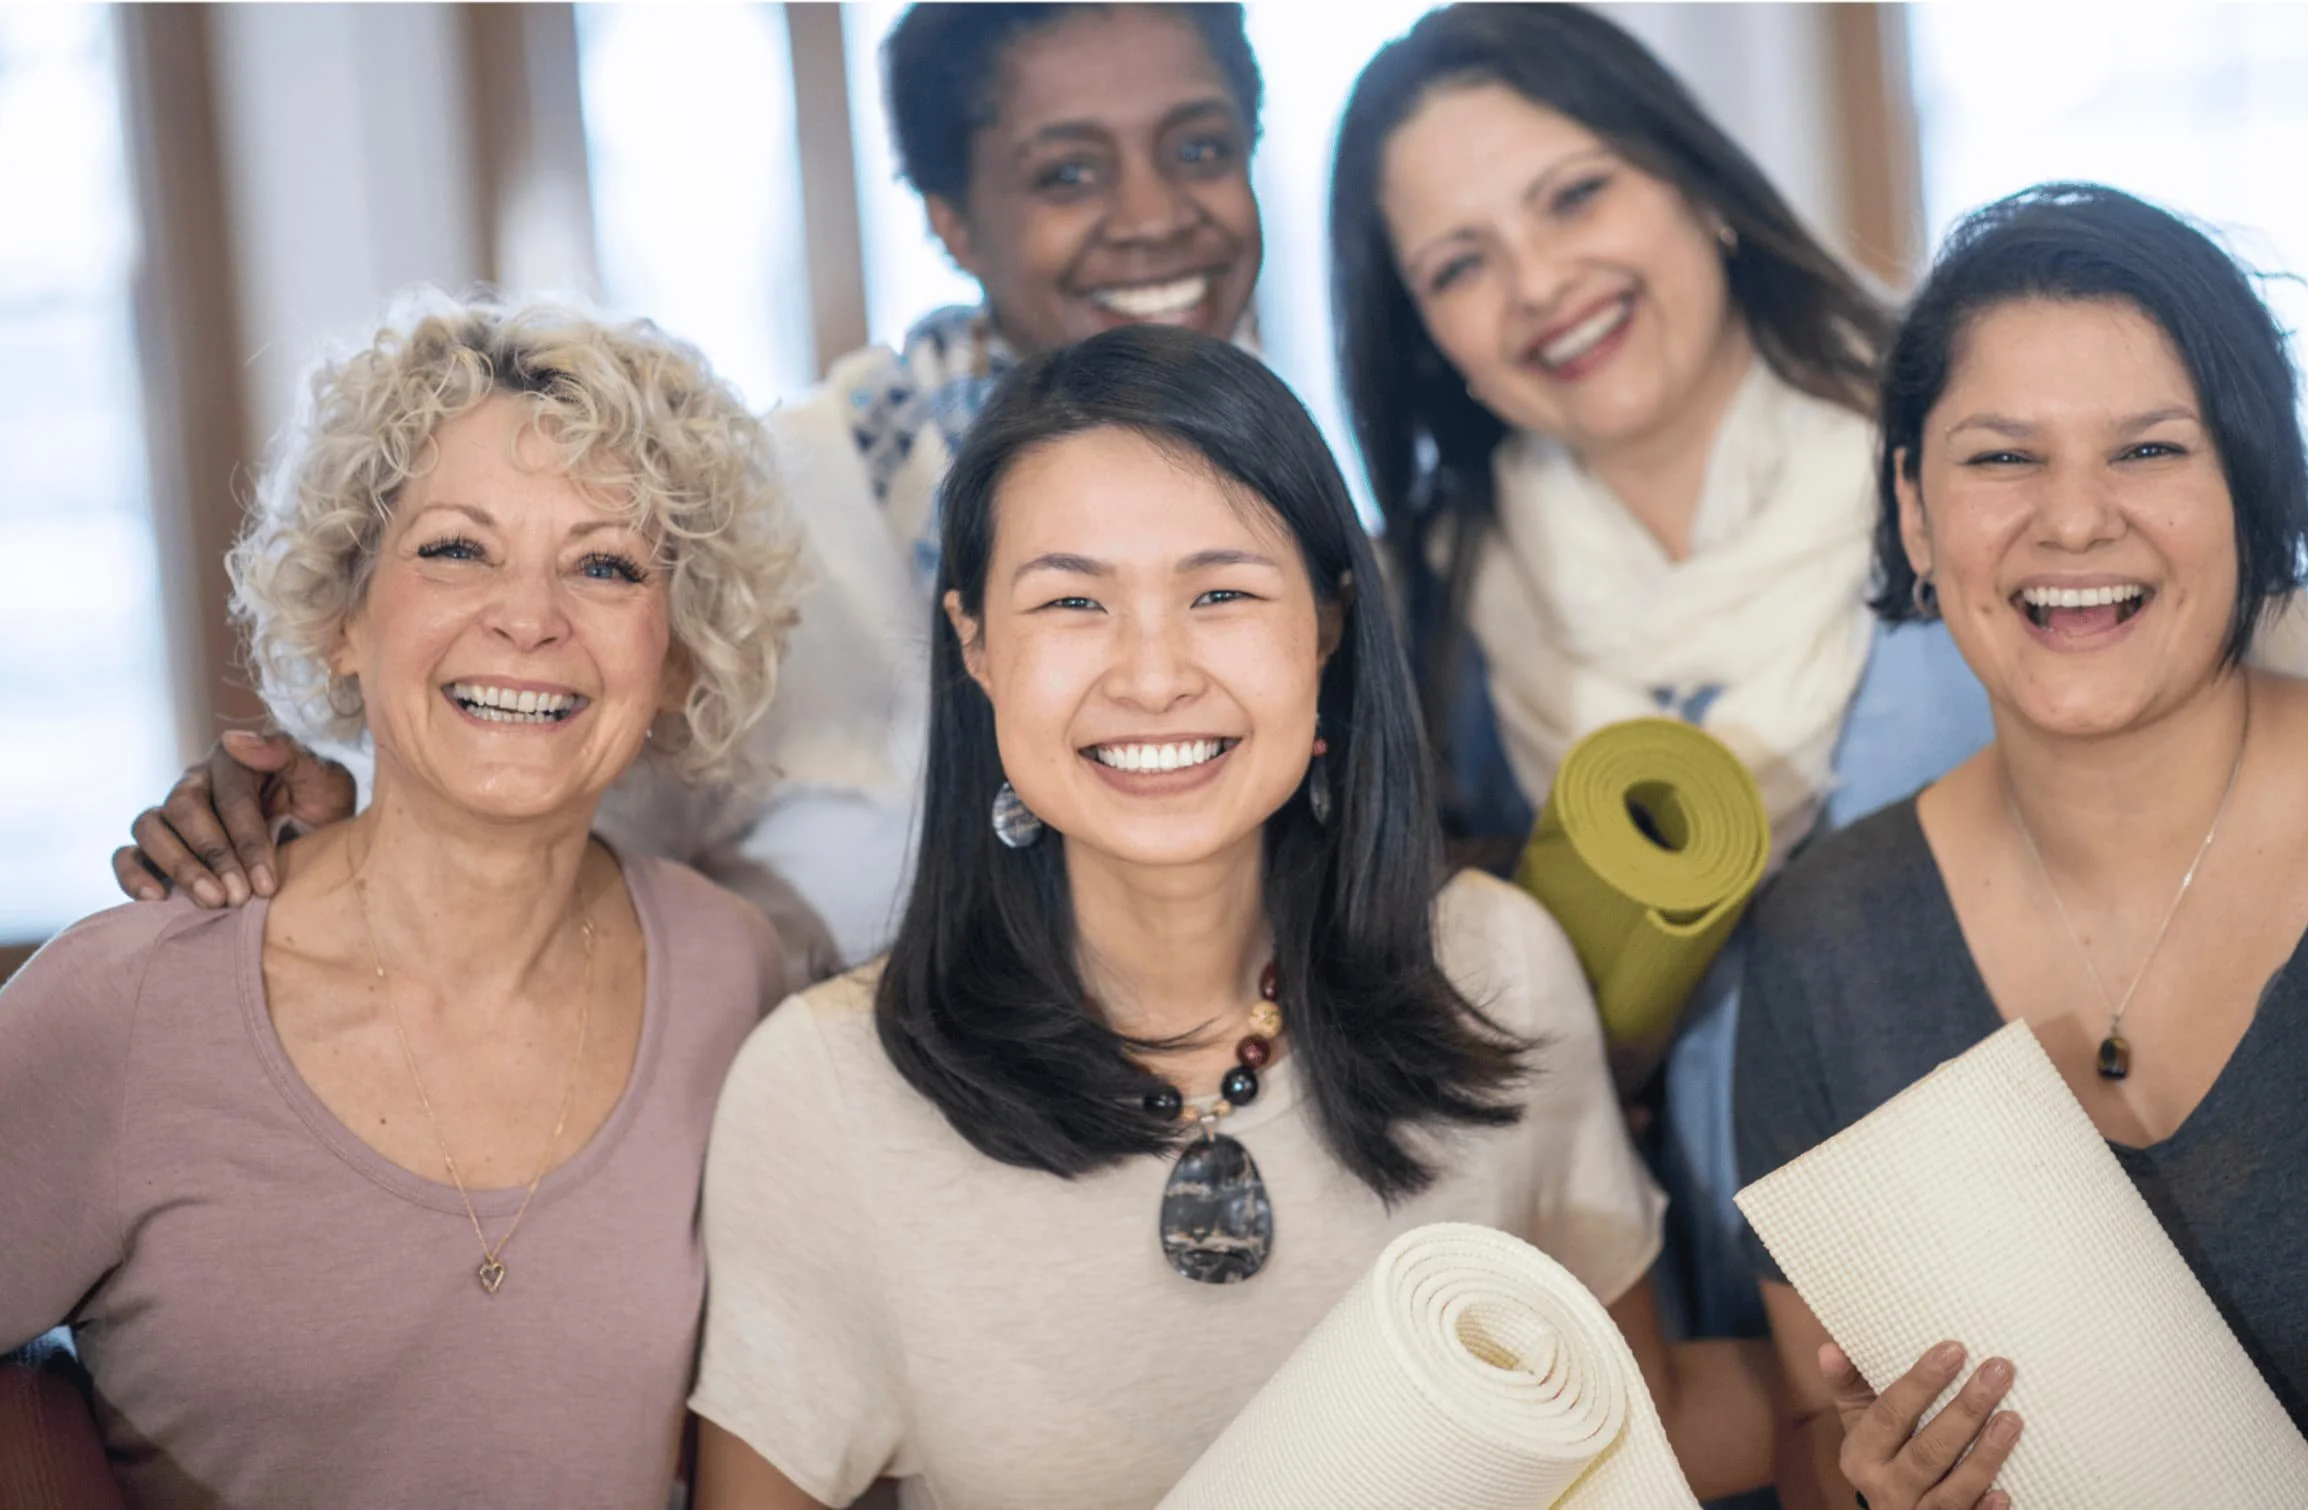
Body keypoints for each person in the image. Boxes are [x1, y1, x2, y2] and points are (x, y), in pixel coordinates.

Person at [1326, 0, 2308, 1339]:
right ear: (1424, 332)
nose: (1539, 282)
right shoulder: (1428, 605)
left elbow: (2276, 645)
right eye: (1460, 263)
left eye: (1576, 194)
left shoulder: (1981, 455)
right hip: (1688, 1306)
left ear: (1696, 187)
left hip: (2054, 1285)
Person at [688, 325, 1781, 1509]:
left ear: (1324, 621)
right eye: (1071, 601)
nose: (1152, 673)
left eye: (1219, 592)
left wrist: (1897, 1413)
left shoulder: (1494, 964)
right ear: (977, 646)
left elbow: (1632, 1431)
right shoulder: (821, 1089)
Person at [107, 1, 1270, 982]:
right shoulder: (773, 504)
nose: (1158, 213)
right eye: (1067, 170)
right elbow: (520, 793)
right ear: (950, 220)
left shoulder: (1303, 519)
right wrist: (321, 828)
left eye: (1203, 148)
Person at [1734, 185, 2308, 1510]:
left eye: (2148, 450)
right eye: (2001, 456)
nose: (2076, 520)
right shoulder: (1825, 940)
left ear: (2253, 491)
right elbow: (1815, 1437)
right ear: (1916, 512)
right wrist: (1877, 1486)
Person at [0, 297, 796, 1506]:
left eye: (605, 563)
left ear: (675, 654)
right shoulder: (127, 1003)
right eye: (456, 548)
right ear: (339, 616)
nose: (528, 617)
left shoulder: (730, 969)